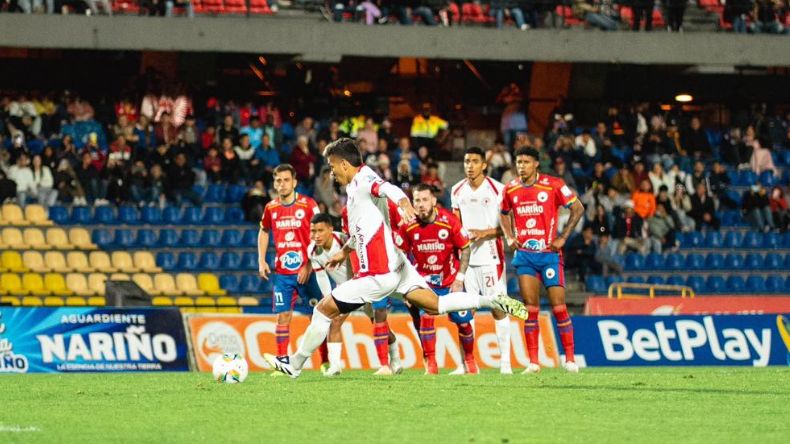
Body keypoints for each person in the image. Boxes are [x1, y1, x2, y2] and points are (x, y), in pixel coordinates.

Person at [264, 139, 526, 378]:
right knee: (436, 304)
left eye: (333, 166)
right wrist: (344, 251)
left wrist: (403, 203)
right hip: (399, 266)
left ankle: (294, 365)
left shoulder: (364, 179)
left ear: (345, 163)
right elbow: (361, 230)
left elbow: (387, 188)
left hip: (378, 273)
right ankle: (494, 300)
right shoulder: (355, 189)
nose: (332, 172)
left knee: (323, 310)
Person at [499, 147, 585, 374]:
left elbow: (578, 208)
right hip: (525, 256)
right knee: (531, 308)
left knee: (559, 306)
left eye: (526, 162)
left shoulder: (554, 184)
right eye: (519, 162)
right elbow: (503, 213)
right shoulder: (511, 188)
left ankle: (570, 359)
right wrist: (509, 236)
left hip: (549, 255)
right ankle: (534, 363)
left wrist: (563, 237)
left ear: (536, 164)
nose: (521, 166)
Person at [309, 213, 403, 377]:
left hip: (365, 284)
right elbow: (322, 278)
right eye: (313, 231)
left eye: (320, 231)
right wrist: (329, 301)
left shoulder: (345, 241)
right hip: (346, 289)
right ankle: (335, 366)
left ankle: (395, 359)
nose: (315, 236)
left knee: (379, 324)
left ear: (331, 229)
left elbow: (359, 262)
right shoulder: (313, 252)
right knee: (335, 321)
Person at [395, 184, 475, 375]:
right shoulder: (407, 225)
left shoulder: (449, 221)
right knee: (426, 319)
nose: (420, 205)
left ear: (433, 201)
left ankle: (470, 360)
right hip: (424, 283)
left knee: (463, 323)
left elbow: (465, 248)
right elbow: (401, 255)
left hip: (449, 281)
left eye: (424, 200)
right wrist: (406, 286)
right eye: (416, 200)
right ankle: (431, 364)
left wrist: (460, 279)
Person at [450, 147, 513, 374]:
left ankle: (505, 363)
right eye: (467, 161)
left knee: (498, 308)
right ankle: (466, 364)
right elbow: (456, 227)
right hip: (466, 262)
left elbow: (508, 228)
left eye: (475, 161)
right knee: (465, 312)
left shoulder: (499, 189)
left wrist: (483, 233)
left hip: (491, 259)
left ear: (484, 165)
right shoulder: (456, 190)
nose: (470, 166)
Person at [258, 164, 324, 370]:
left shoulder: (308, 205)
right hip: (283, 274)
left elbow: (320, 234)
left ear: (294, 182)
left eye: (286, 180)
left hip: (308, 272)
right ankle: (282, 362)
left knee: (318, 316)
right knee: (282, 316)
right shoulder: (271, 207)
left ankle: (326, 361)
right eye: (278, 180)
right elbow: (263, 231)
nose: (282, 184)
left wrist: (309, 264)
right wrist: (261, 260)